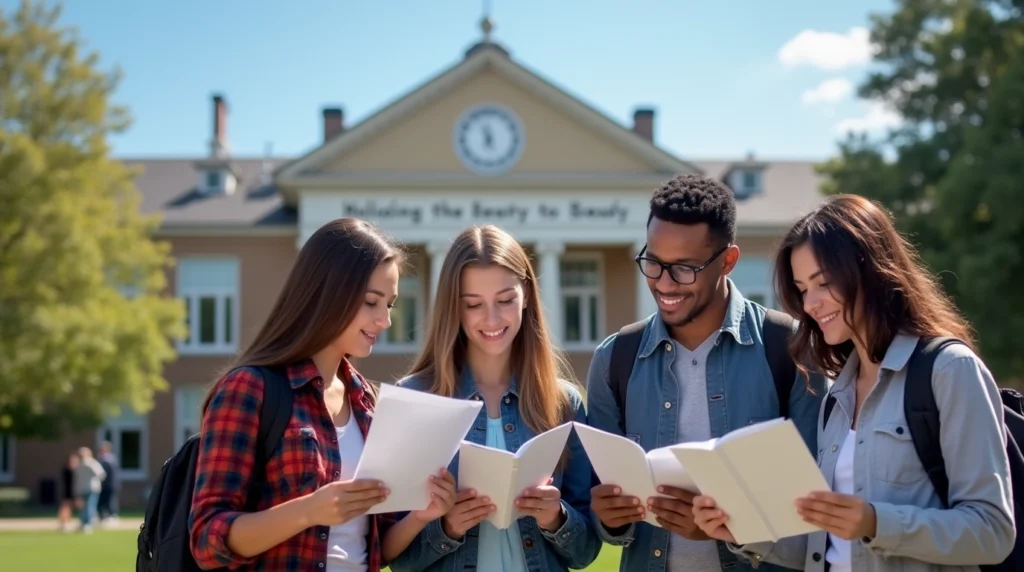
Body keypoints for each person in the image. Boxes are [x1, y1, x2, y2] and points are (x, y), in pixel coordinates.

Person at [692, 194, 1015, 571]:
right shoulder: (836, 393)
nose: (810, 303)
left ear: (870, 271)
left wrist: (876, 523)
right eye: (801, 288)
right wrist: (741, 529)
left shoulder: (949, 371)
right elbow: (824, 545)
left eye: (823, 283)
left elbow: (993, 533)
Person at [585, 174, 827, 571]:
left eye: (683, 269)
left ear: (728, 261)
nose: (664, 283)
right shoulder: (614, 359)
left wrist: (726, 528)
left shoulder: (794, 350)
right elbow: (602, 524)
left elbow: (817, 517)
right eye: (654, 263)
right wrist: (609, 518)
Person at [188, 218, 457, 572]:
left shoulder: (367, 400)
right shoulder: (250, 389)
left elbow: (378, 549)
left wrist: (423, 516)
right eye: (371, 302)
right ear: (328, 293)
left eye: (389, 305)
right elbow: (207, 539)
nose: (385, 320)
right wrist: (308, 511)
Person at [386, 225, 602, 572]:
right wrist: (447, 527)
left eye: (505, 300)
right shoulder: (415, 401)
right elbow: (393, 559)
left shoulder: (565, 403)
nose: (492, 319)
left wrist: (556, 518)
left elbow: (586, 553)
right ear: (453, 308)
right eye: (473, 305)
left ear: (527, 294)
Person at [72, 446, 105, 533]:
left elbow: (100, 474)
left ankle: (87, 523)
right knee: (84, 507)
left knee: (89, 506)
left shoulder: (91, 463)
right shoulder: (80, 464)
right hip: (84, 488)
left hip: (91, 488)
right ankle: (84, 523)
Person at [97, 440, 121, 524]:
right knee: (107, 500)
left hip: (108, 484)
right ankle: (106, 515)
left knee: (109, 500)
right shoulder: (112, 459)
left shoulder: (107, 459)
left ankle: (111, 516)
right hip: (111, 484)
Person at [58, 451, 78, 532]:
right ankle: (64, 523)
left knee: (69, 508)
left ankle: (66, 522)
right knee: (65, 508)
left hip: (73, 491)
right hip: (68, 492)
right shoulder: (67, 471)